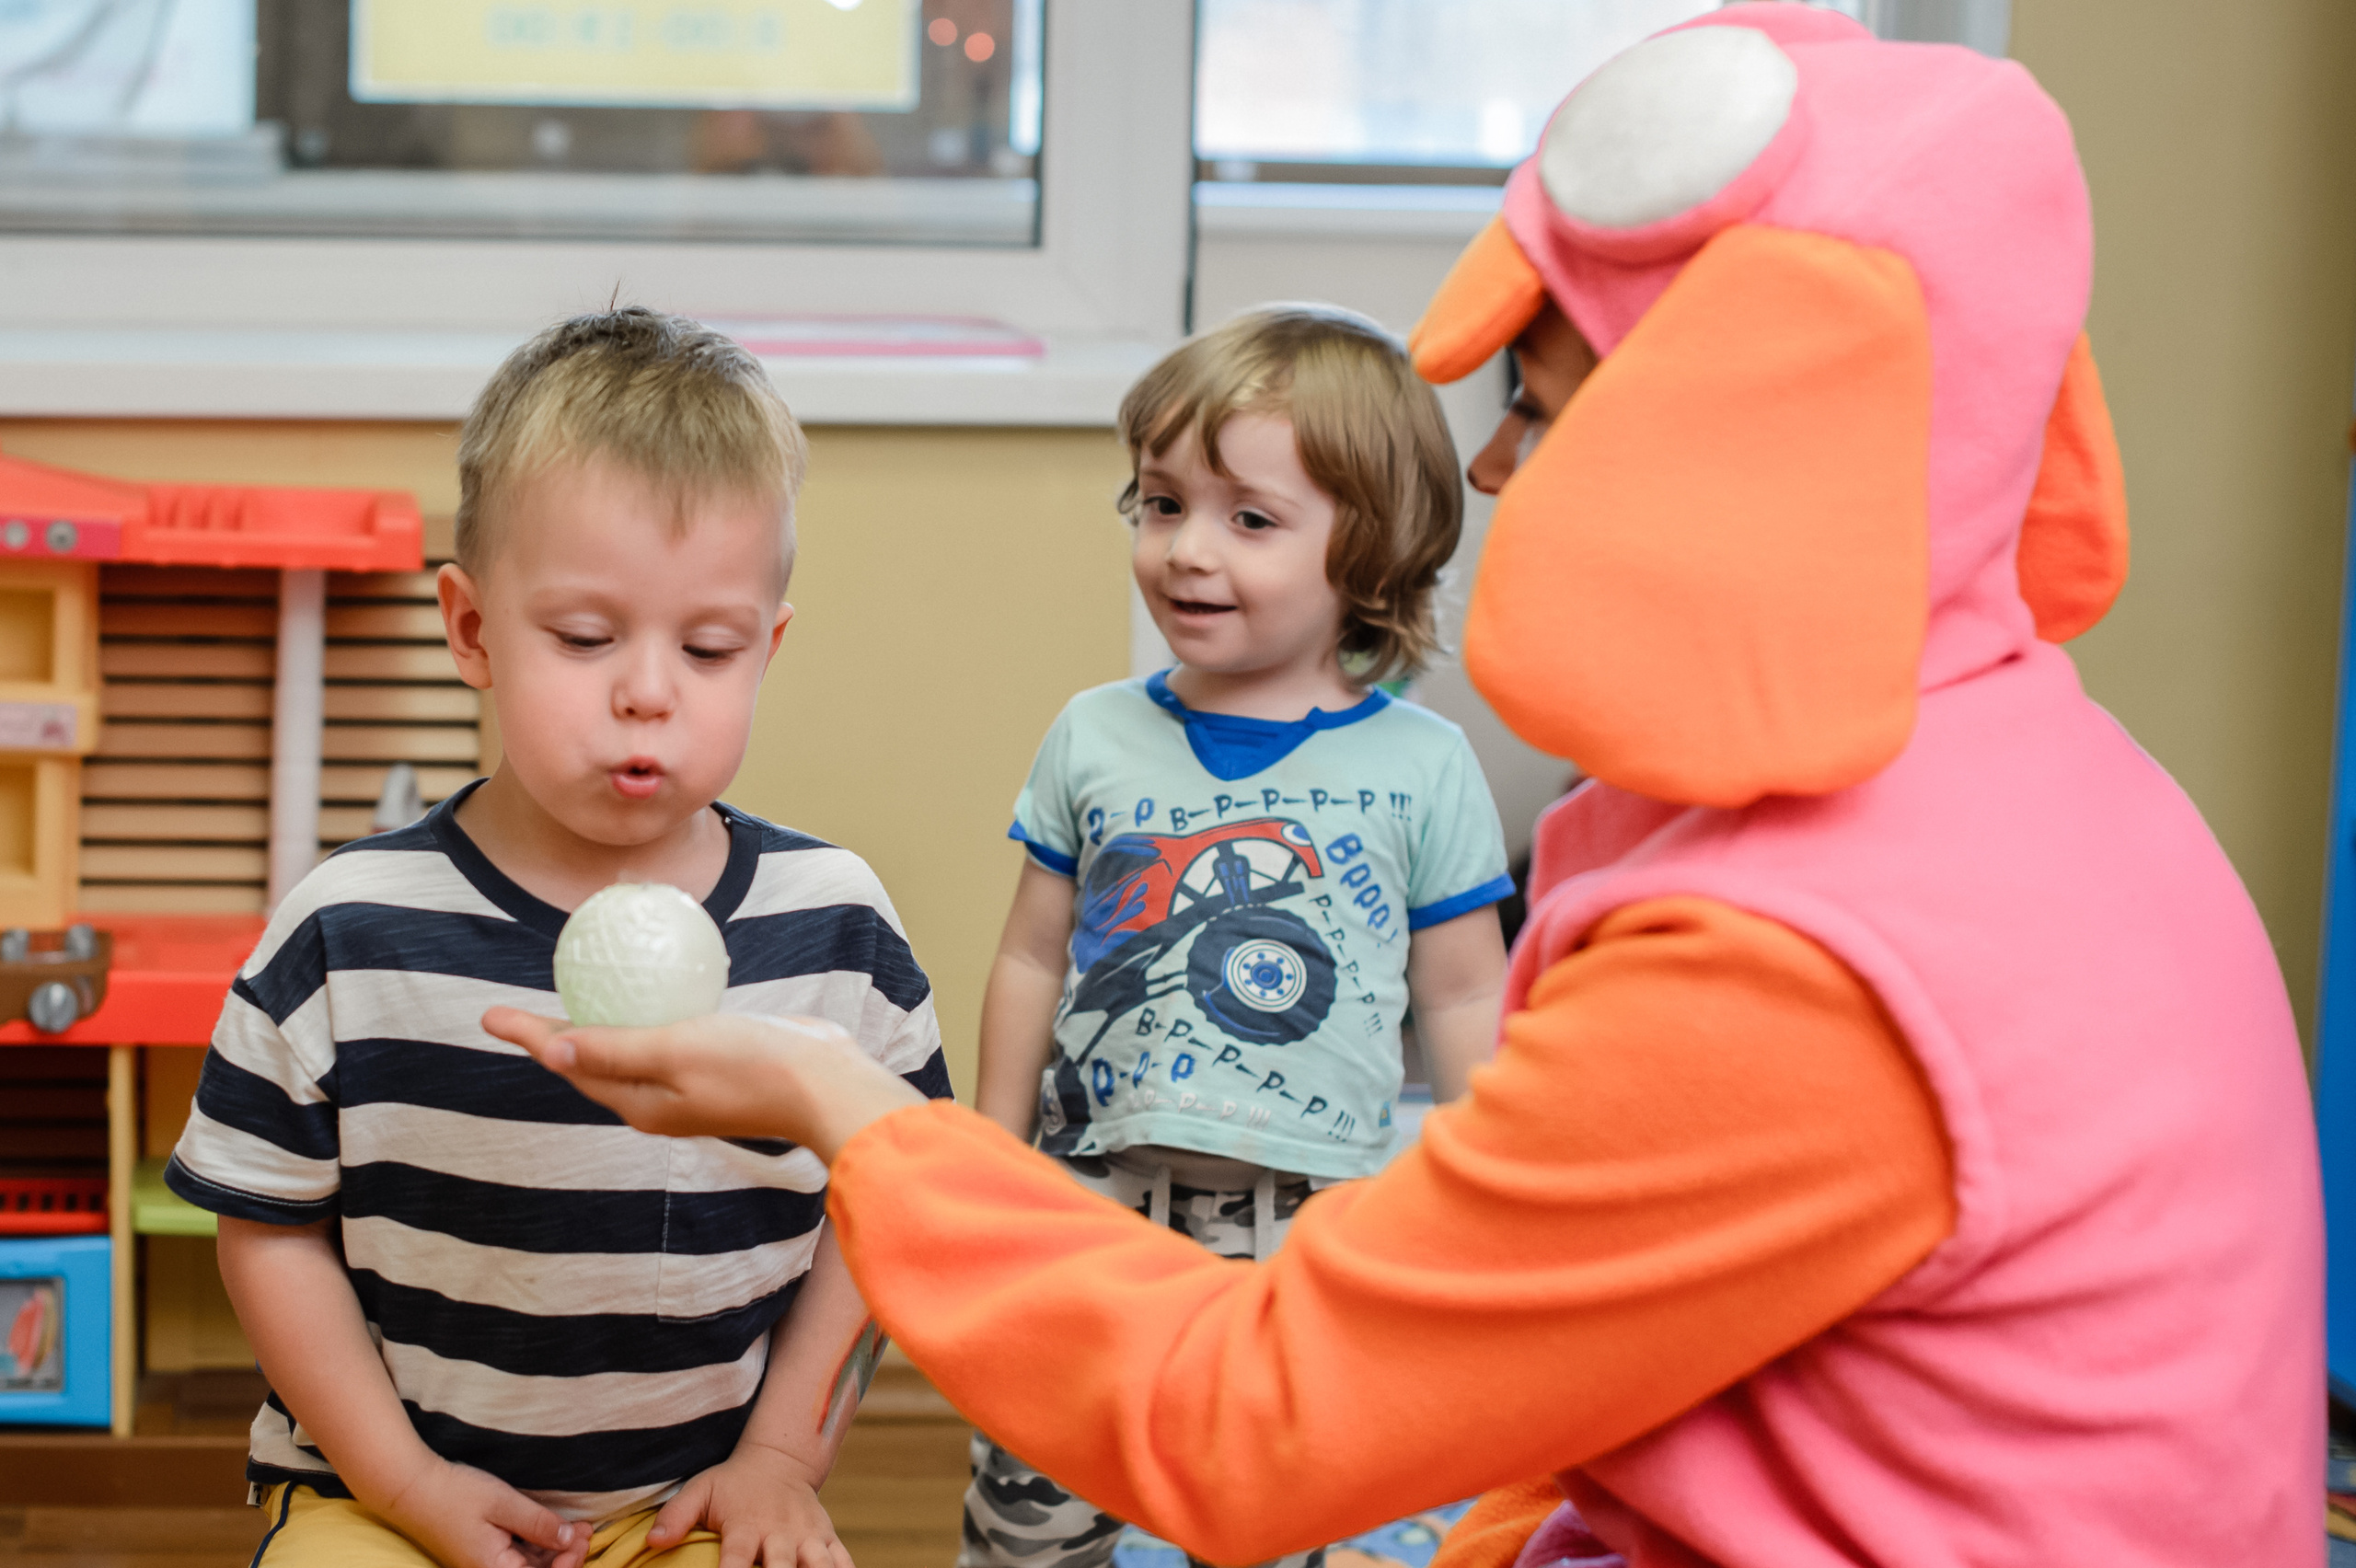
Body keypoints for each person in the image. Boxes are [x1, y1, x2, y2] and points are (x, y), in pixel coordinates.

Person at [491, 9, 2322, 1567]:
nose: (1503, 466)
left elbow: (1246, 1415)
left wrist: (847, 1111)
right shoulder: (2052, 788)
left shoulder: (1799, 968)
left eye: (1539, 400)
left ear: (1741, 420)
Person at [167, 308, 952, 1568]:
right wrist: (405, 1482)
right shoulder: (348, 929)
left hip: (689, 1496)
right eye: (586, 638)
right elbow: (269, 1227)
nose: (648, 688)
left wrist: (778, 1463)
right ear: (472, 631)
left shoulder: (838, 927)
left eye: (709, 646)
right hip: (379, 1494)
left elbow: (885, 1217)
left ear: (769, 649)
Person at [960, 306, 1513, 1565]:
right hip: (1092, 1198)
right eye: (1160, 504)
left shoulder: (1424, 769)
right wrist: (995, 1154)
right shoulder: (1092, 735)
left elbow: (1468, 998)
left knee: (1289, 1508)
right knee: (1042, 1499)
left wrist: (1484, 1212)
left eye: (1248, 520)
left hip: (1310, 1222)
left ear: (1367, 554)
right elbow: (1034, 954)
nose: (1185, 551)